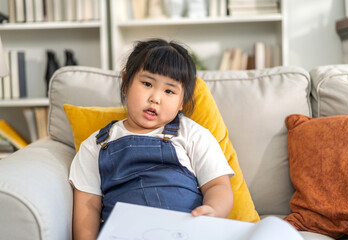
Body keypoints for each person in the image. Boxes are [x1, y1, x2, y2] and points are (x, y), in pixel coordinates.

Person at [69, 39, 234, 239]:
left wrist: (214, 210)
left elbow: (218, 185)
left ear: (182, 102)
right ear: (126, 84)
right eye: (147, 84)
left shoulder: (192, 134)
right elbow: (88, 204)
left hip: (184, 232)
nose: (155, 97)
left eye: (169, 91)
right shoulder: (95, 144)